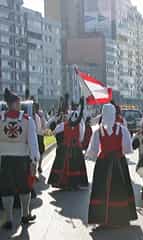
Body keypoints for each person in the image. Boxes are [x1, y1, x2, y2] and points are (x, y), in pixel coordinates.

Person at [86, 104, 137, 227]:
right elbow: (127, 149)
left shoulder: (98, 131)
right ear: (114, 114)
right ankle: (120, 216)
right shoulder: (122, 130)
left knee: (101, 190)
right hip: (118, 162)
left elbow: (92, 152)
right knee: (120, 189)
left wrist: (94, 157)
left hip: (103, 164)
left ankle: (102, 216)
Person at [0, 89, 39, 230]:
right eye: (18, 102)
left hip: (4, 159)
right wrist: (35, 160)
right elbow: (32, 142)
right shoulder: (27, 120)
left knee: (6, 189)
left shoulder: (0, 118)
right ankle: (25, 215)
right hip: (22, 159)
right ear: (15, 103)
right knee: (25, 188)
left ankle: (9, 219)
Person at [48, 97, 89, 190]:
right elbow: (81, 136)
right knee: (76, 166)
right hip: (76, 148)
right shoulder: (79, 124)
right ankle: (76, 183)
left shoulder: (64, 125)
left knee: (65, 166)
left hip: (66, 147)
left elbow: (54, 131)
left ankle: (65, 183)